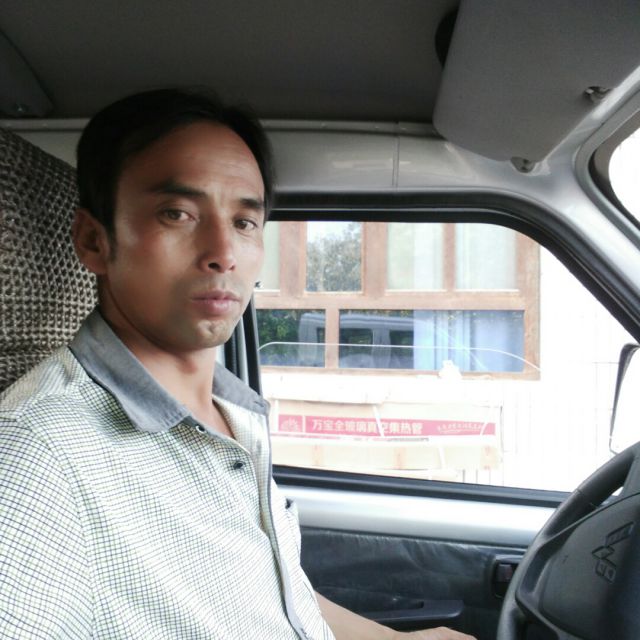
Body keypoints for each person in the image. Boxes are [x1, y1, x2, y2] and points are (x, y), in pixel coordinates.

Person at [0, 88, 475, 640]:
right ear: (93, 241)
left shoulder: (232, 409)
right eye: (177, 214)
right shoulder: (36, 457)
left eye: (245, 222)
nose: (223, 252)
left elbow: (274, 593)